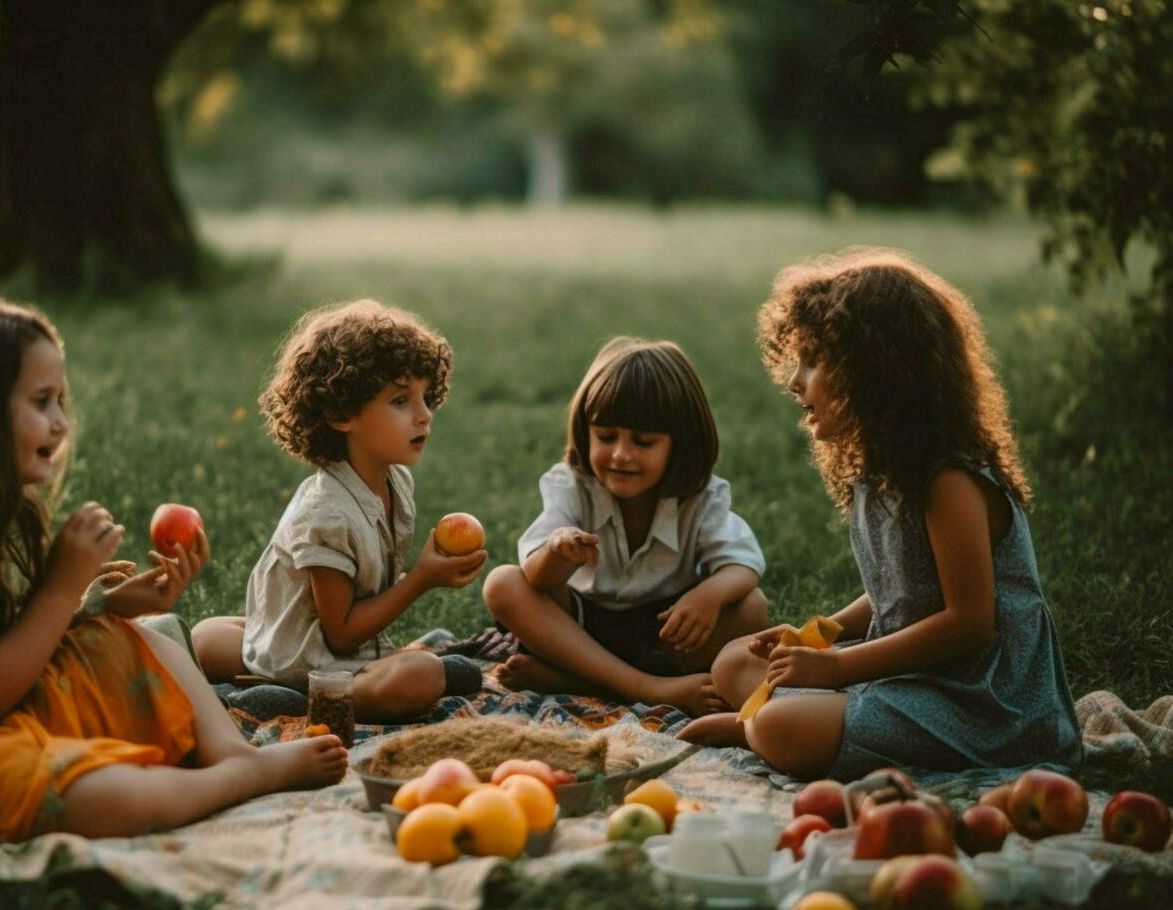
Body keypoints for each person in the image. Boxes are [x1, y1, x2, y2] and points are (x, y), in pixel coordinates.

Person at [0, 299, 346, 842]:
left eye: (61, 400)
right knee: (99, 794)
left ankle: (232, 753)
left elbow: (11, 638)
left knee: (139, 636)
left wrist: (105, 604)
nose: (61, 422)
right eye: (42, 402)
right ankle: (233, 782)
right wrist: (62, 587)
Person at [680, 249, 1082, 780]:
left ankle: (756, 728)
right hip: (912, 676)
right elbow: (905, 586)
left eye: (814, 361)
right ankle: (770, 722)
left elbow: (969, 624)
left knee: (780, 725)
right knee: (734, 663)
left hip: (982, 702)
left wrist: (840, 666)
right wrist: (819, 636)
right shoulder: (879, 472)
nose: (795, 381)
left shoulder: (949, 481)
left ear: (877, 375)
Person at [191, 300, 487, 720]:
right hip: (328, 653)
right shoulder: (326, 514)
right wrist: (422, 580)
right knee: (421, 675)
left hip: (318, 640)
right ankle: (306, 699)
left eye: (426, 397)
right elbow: (343, 634)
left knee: (207, 637)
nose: (424, 415)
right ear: (340, 414)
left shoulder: (396, 481)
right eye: (401, 400)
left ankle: (270, 676)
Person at [482, 337, 769, 716]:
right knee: (502, 583)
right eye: (605, 437)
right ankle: (647, 687)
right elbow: (536, 576)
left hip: (668, 632)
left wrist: (709, 596)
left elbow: (744, 563)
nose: (620, 454)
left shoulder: (699, 496)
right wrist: (557, 552)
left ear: (680, 443)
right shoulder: (571, 484)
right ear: (586, 432)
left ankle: (579, 681)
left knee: (751, 607)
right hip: (581, 630)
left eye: (643, 441)